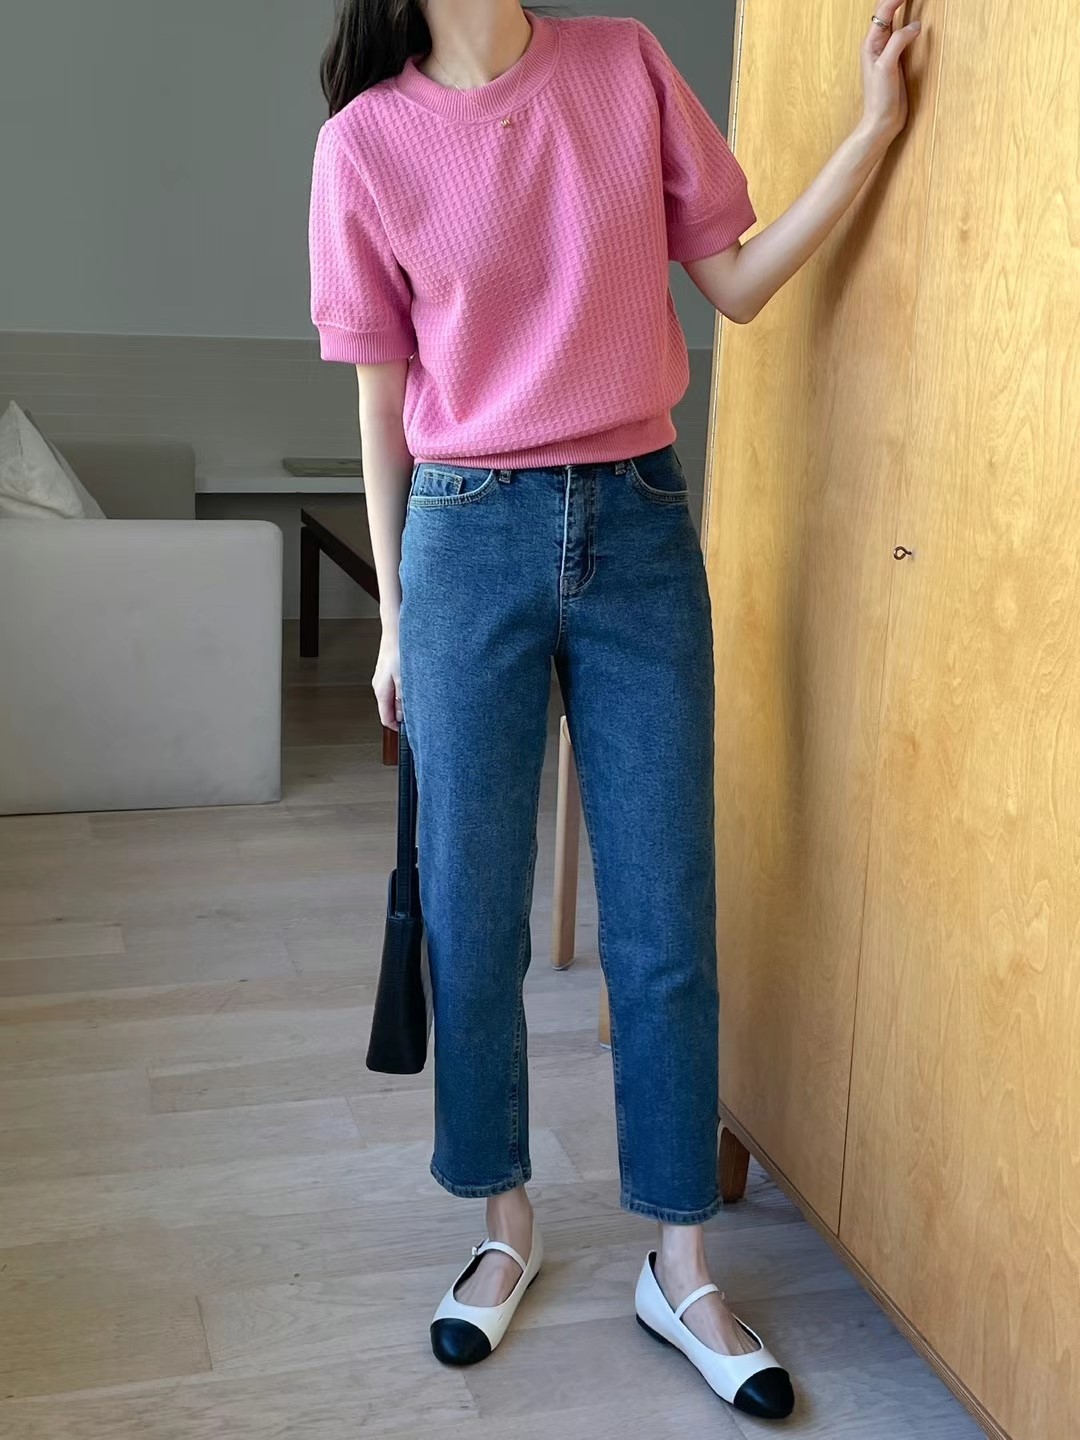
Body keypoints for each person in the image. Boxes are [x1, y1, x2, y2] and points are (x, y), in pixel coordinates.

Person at [308, 0, 919, 1420]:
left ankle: (681, 1265)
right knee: (471, 913)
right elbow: (381, 405)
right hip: (463, 538)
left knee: (664, 915)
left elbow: (738, 283)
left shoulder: (624, 63)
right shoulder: (366, 143)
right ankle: (503, 1223)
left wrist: (874, 128)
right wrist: (393, 618)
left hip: (638, 525)